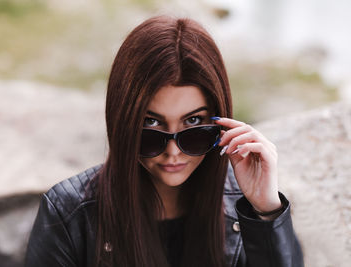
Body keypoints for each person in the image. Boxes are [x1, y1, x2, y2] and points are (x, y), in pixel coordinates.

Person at [25, 15, 304, 267]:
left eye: (193, 122)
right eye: (151, 123)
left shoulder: (246, 206)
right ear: (122, 121)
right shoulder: (68, 213)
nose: (173, 152)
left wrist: (266, 211)